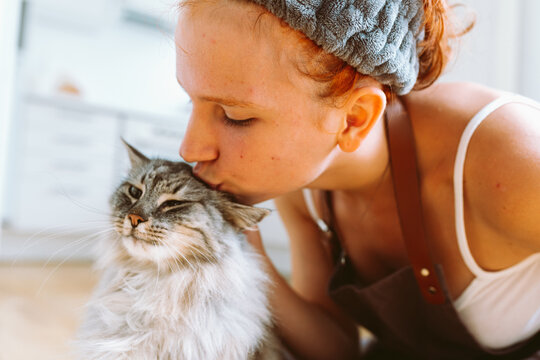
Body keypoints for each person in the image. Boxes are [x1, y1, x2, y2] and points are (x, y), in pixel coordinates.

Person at [173, 0, 540, 358]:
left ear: (355, 119)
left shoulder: (510, 160)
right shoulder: (301, 186)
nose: (189, 149)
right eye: (192, 102)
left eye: (234, 116)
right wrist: (246, 253)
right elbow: (335, 346)